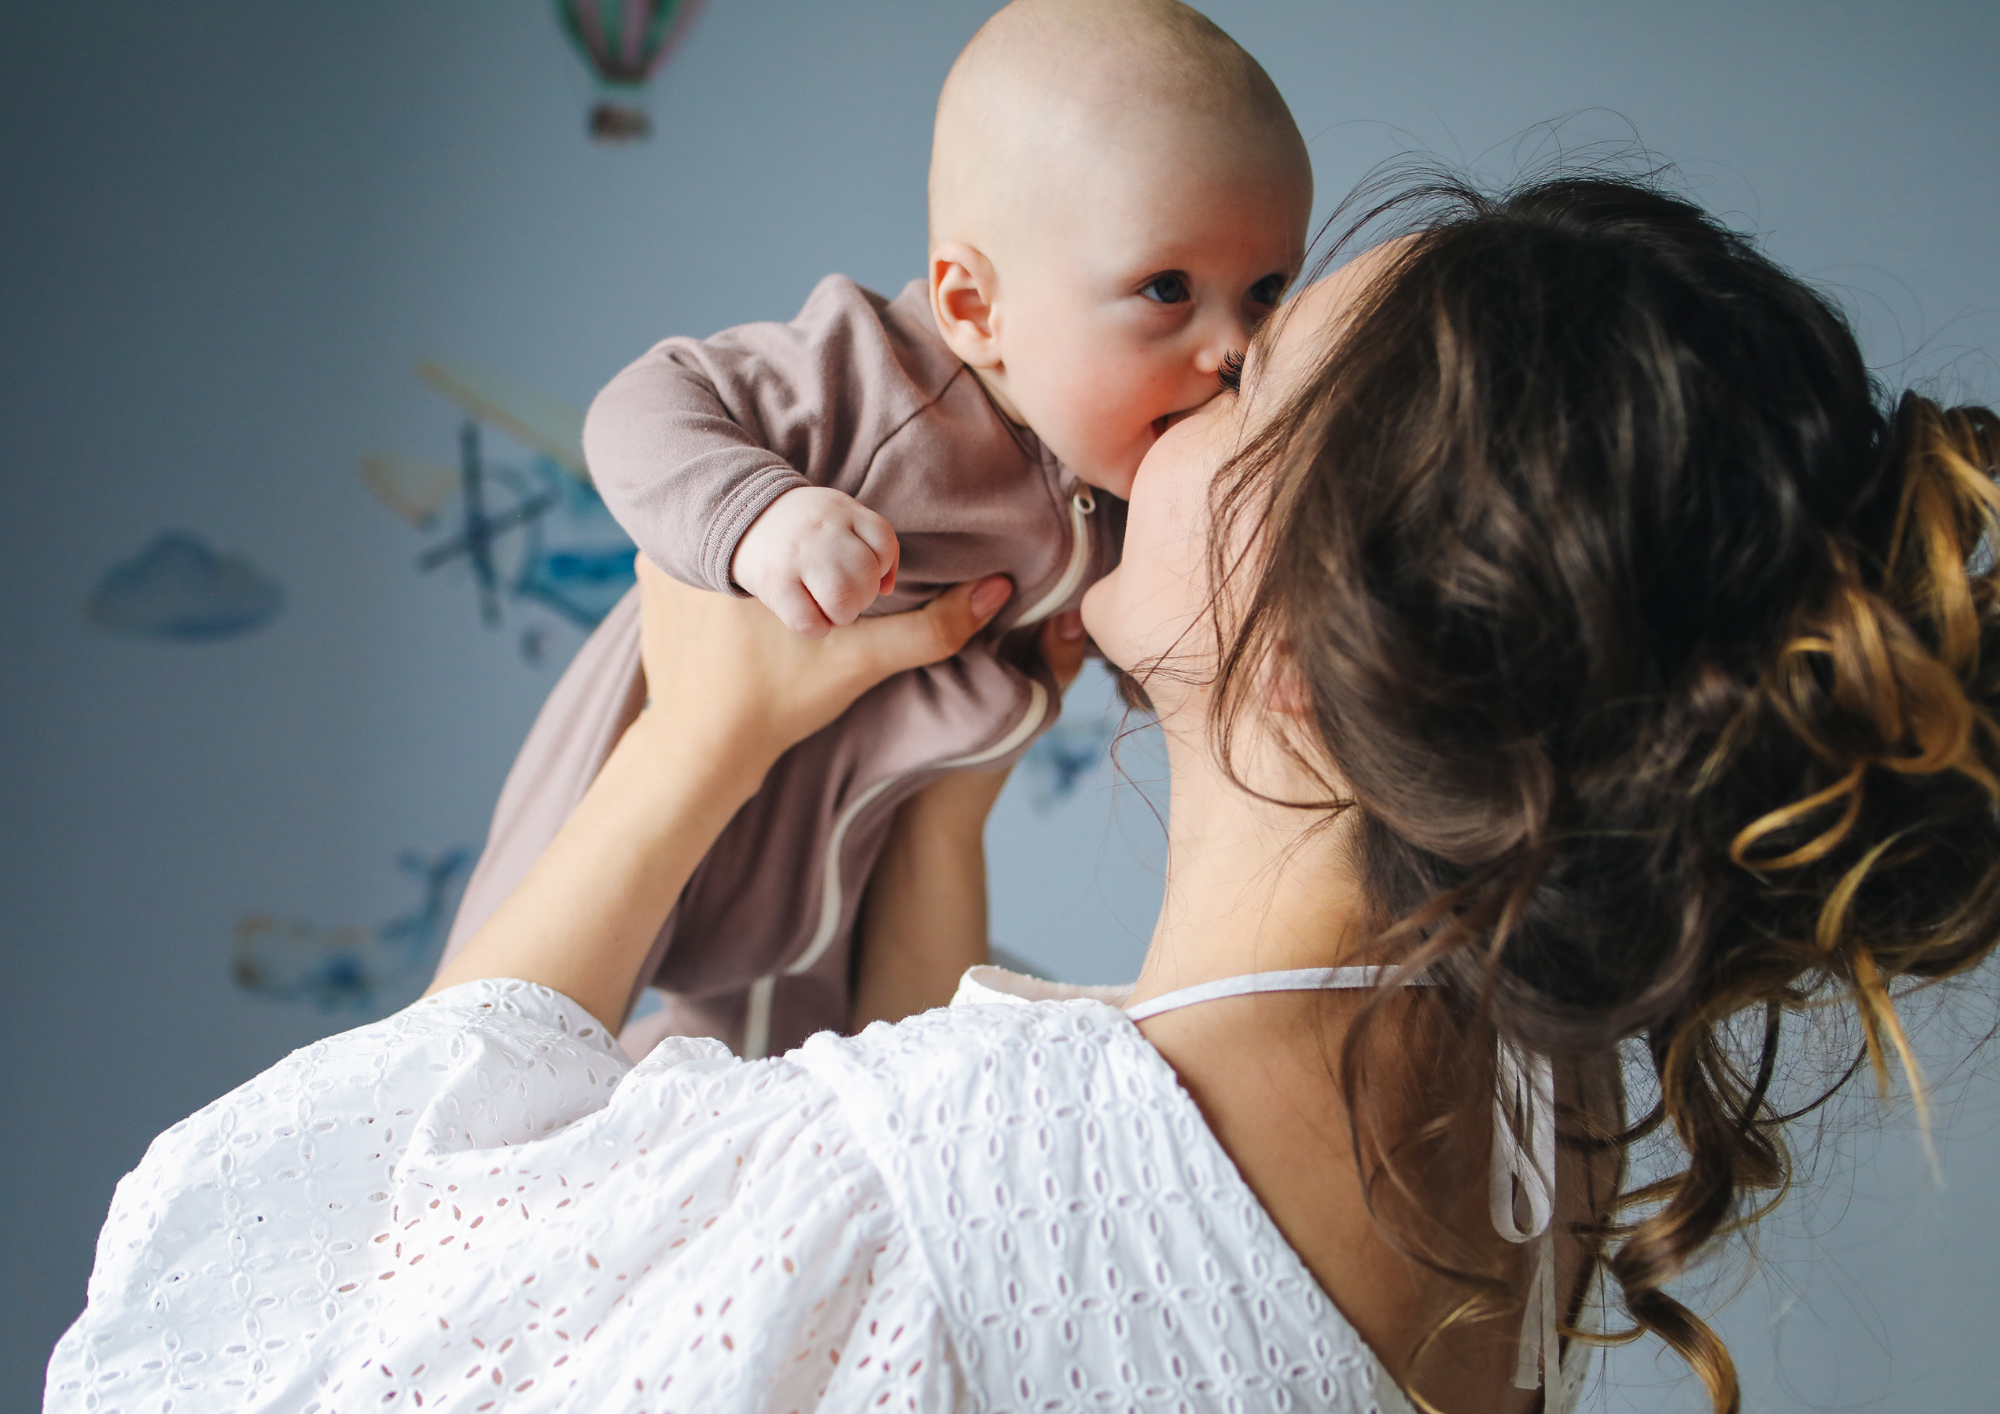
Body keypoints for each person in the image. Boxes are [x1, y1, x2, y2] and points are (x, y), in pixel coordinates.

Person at [46, 174, 2000, 1414]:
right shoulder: (1510, 1136)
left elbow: (286, 1311)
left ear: (1309, 659)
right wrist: (948, 821)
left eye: (1249, 380)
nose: (1184, 383)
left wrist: (694, 735)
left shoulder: (932, 1181)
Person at [437, 0, 1314, 1059]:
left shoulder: (1128, 470)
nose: (1230, 348)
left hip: (842, 847)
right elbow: (643, 402)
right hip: (662, 751)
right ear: (973, 307)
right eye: (1167, 289)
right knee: (491, 1043)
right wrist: (759, 514)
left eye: (1265, 293)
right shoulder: (877, 381)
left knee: (778, 1082)